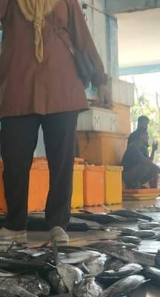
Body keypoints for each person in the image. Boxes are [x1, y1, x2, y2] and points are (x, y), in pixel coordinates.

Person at [0, 0, 109, 245]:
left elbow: (83, 38)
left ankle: (58, 224)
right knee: (14, 162)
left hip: (62, 88)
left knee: (61, 164)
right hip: (18, 89)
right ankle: (15, 224)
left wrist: (100, 80)